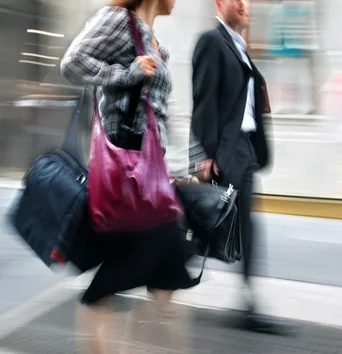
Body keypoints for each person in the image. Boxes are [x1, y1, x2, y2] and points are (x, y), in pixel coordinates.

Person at [61, 0, 195, 352]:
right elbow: (72, 63)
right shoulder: (120, 21)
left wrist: (180, 168)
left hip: (153, 178)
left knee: (167, 275)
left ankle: (136, 340)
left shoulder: (154, 42)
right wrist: (125, 75)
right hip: (129, 179)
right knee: (127, 279)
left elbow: (160, 115)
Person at [188, 0, 283, 333]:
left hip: (246, 150)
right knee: (211, 226)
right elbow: (203, 100)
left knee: (238, 227)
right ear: (218, 3)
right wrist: (201, 155)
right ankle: (158, 273)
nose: (244, 5)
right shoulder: (212, 41)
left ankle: (248, 302)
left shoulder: (240, 48)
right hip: (226, 152)